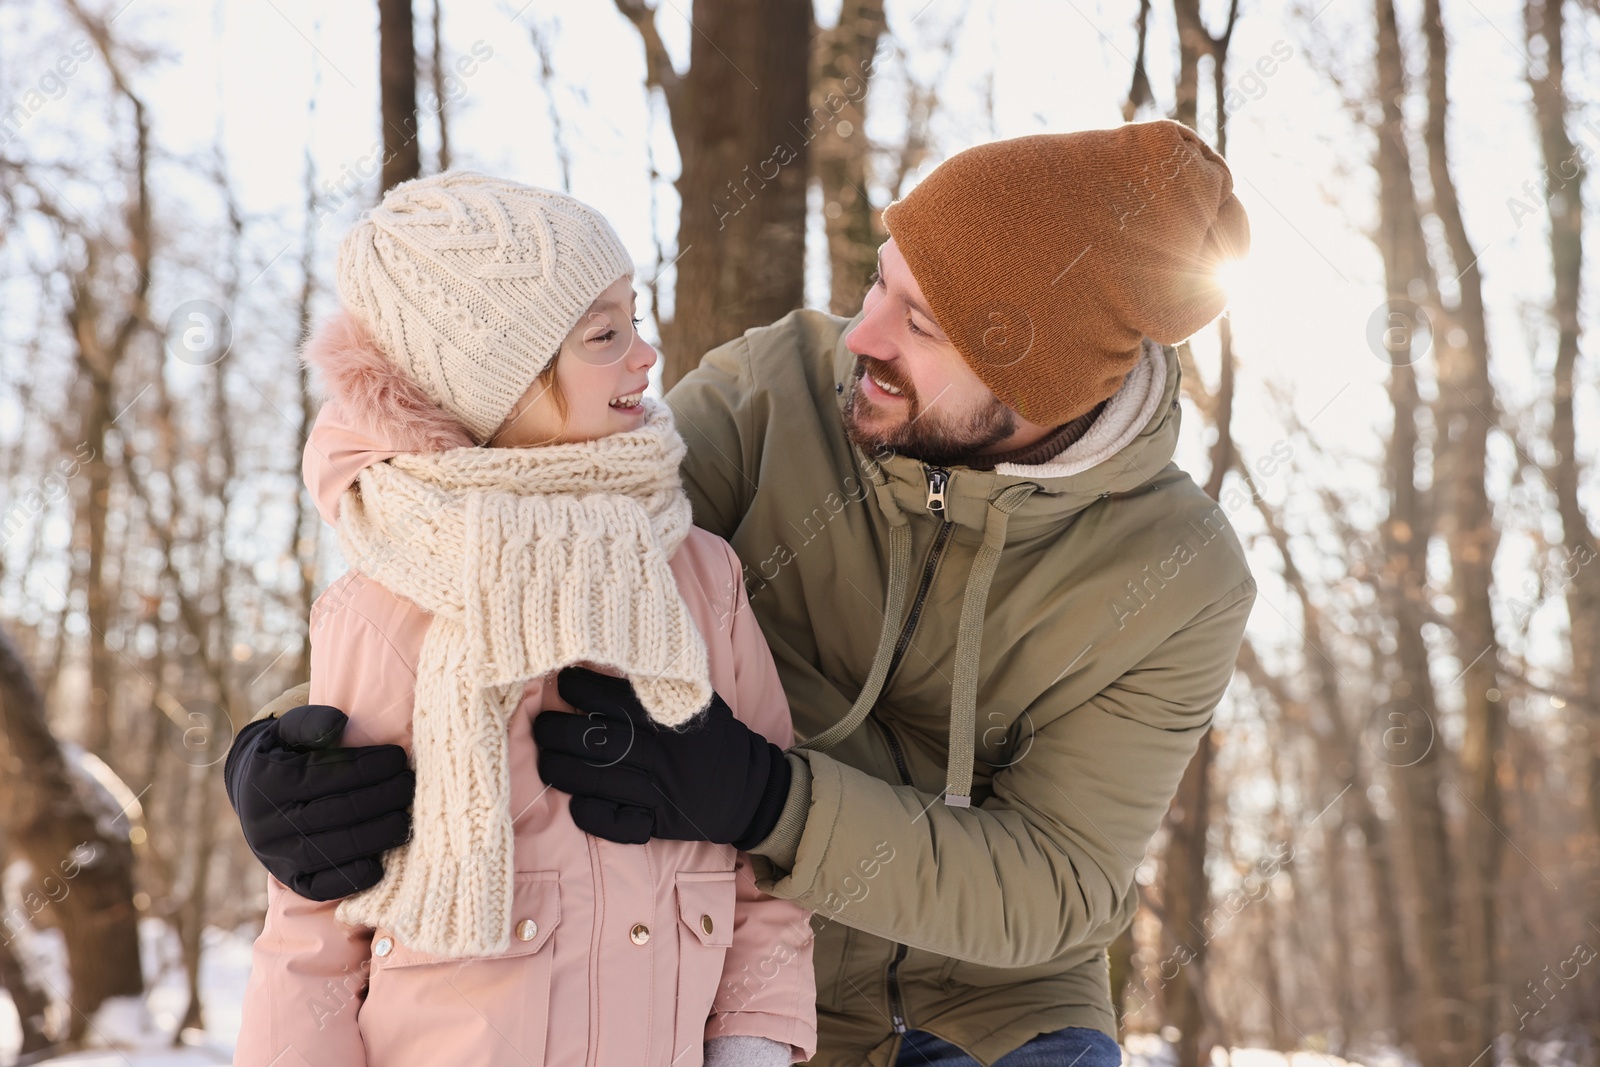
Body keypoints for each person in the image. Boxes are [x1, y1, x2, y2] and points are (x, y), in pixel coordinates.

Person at [229, 120, 1257, 1067]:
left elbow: (1058, 886)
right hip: (724, 979)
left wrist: (768, 798)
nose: (861, 336)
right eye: (878, 284)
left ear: (1047, 385)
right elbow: (517, 526)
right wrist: (296, 758)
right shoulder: (779, 394)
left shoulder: (1175, 574)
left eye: (923, 325)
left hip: (993, 1007)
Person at [229, 173, 816, 1067]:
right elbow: (313, 920)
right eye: (605, 335)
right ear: (492, 382)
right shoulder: (382, 606)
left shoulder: (699, 574)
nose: (647, 355)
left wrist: (751, 1046)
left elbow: (768, 865)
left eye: (637, 319)